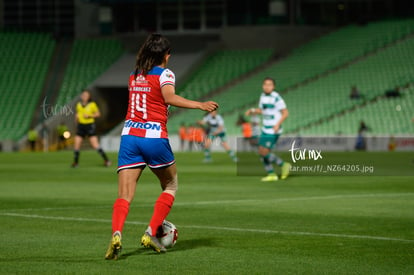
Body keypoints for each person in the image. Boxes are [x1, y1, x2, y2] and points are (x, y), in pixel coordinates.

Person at [105, 33, 218, 260]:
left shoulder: (134, 75)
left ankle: (117, 234)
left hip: (129, 137)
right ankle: (151, 233)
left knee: (124, 195)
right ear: (167, 55)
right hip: (154, 136)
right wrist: (199, 104)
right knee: (171, 185)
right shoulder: (165, 73)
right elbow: (168, 97)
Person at [245, 77, 291, 182]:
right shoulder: (262, 97)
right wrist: (252, 110)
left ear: (273, 87)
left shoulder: (276, 98)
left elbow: (285, 113)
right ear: (263, 86)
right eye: (265, 84)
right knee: (262, 152)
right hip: (265, 128)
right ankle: (271, 174)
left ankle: (283, 164)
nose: (267, 86)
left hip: (273, 129)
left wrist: (277, 124)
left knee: (263, 151)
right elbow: (262, 110)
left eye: (269, 84)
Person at [72, 90, 111, 168]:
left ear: (89, 97)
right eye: (83, 95)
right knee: (76, 144)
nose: (84, 96)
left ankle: (106, 160)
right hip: (81, 126)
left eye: (86, 95)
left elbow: (98, 114)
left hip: (89, 125)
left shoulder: (92, 104)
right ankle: (76, 163)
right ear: (81, 96)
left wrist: (89, 115)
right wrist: (76, 121)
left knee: (95, 144)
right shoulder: (78, 105)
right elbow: (77, 114)